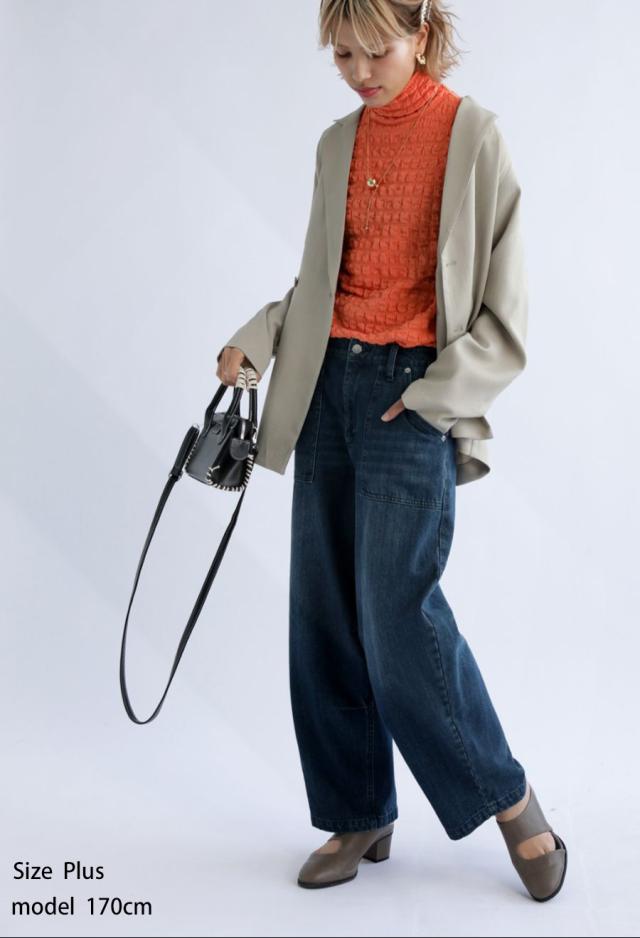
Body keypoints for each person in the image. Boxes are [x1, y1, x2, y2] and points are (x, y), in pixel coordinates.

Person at [216, 0, 567, 902]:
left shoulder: (475, 137)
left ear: (422, 33)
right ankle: (358, 810)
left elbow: (506, 313)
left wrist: (431, 399)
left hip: (411, 395)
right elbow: (322, 283)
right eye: (342, 54)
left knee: (398, 614)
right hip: (326, 386)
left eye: (376, 50)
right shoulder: (336, 144)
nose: (360, 71)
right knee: (324, 611)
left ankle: (509, 797)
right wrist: (257, 338)